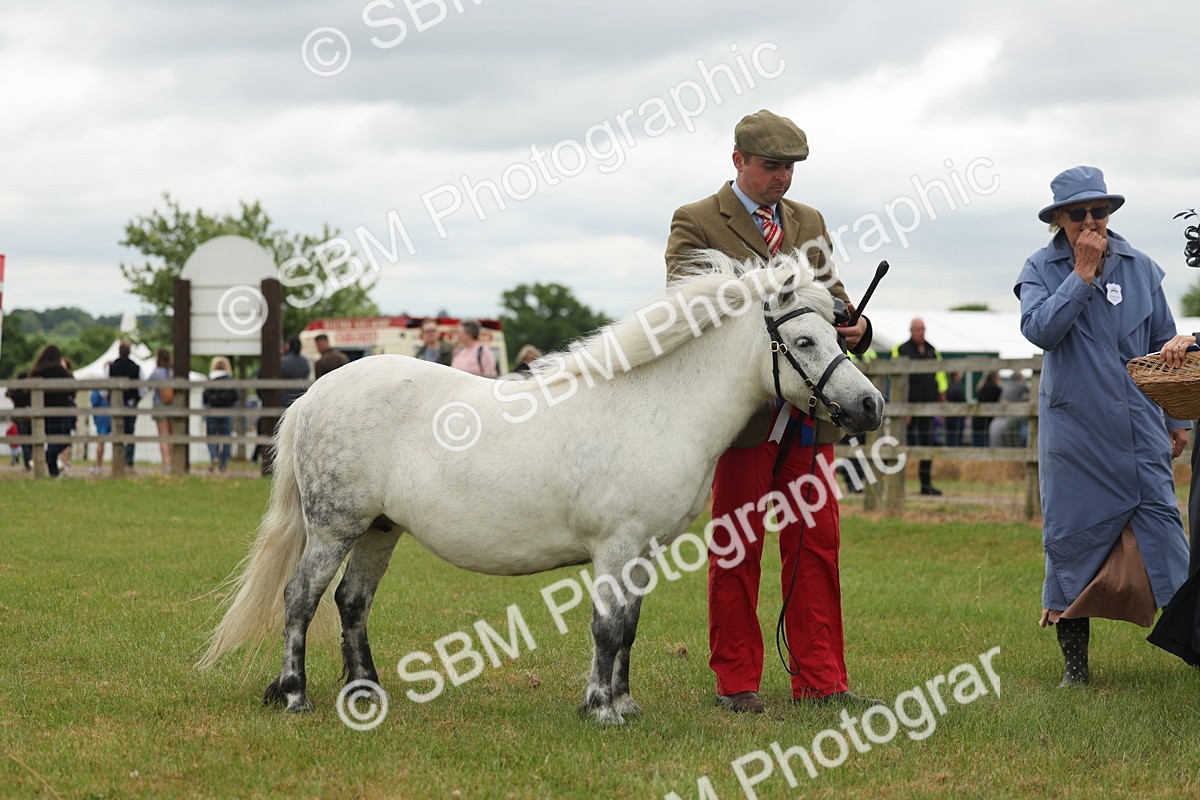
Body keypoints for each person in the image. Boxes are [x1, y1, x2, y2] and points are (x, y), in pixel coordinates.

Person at [665, 109, 877, 713]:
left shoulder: (809, 221)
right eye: (771, 166)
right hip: (742, 418)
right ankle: (736, 680)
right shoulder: (697, 220)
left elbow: (830, 300)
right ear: (738, 161)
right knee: (737, 545)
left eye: (790, 168)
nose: (783, 178)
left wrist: (853, 327)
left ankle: (822, 678)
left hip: (809, 410)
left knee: (819, 541)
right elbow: (689, 304)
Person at [1016, 165, 1189, 688]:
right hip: (1076, 434)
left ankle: (1193, 645)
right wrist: (1081, 276)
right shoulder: (1040, 268)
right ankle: (1076, 668)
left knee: (1165, 532)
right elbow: (1039, 330)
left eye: (1100, 210)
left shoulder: (1141, 268)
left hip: (1140, 428)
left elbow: (1165, 343)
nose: (1091, 221)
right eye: (1078, 213)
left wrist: (1176, 416)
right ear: (1058, 221)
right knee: (1071, 539)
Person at [892, 318, 947, 495]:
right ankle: (896, 485)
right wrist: (903, 407)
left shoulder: (932, 350)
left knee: (927, 444)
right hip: (907, 407)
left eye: (923, 329)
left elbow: (940, 378)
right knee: (900, 444)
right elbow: (896, 380)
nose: (921, 333)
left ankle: (926, 485)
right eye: (917, 330)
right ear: (911, 330)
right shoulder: (901, 349)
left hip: (928, 406)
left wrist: (943, 402)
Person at [28, 344, 76, 478]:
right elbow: (73, 387)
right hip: (60, 410)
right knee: (64, 439)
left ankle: (53, 471)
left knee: (50, 440)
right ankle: (49, 458)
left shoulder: (36, 371)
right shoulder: (59, 371)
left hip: (42, 411)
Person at [108, 340, 142, 468]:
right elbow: (143, 388)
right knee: (131, 431)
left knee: (117, 430)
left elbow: (104, 388)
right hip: (131, 403)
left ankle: (118, 458)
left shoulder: (112, 367)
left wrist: (109, 399)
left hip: (116, 405)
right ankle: (129, 460)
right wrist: (137, 399)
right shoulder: (136, 367)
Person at [202, 356, 238, 474]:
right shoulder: (230, 380)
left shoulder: (210, 379)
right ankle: (223, 465)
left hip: (212, 411)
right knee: (226, 438)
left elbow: (205, 396)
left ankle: (214, 457)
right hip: (227, 411)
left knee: (211, 436)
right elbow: (236, 396)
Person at [149, 348, 175, 475]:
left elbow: (148, 385)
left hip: (160, 405)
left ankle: (166, 465)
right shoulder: (173, 371)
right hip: (174, 405)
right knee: (172, 435)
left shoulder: (157, 372)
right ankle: (174, 462)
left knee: (163, 436)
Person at [988, 372, 1030, 447]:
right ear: (1020, 378)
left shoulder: (1006, 386)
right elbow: (1030, 399)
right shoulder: (1022, 386)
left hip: (1002, 415)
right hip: (1013, 415)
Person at [6, 370, 33, 470]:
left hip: (19, 417)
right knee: (31, 441)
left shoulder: (16, 389)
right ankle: (30, 462)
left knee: (24, 441)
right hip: (30, 415)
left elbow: (7, 394)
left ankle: (27, 464)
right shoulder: (29, 388)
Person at [90, 370, 113, 476]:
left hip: (102, 417)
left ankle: (99, 466)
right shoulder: (113, 383)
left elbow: (94, 401)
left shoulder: (98, 385)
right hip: (111, 416)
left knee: (100, 442)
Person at [280, 336, 311, 408]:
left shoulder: (282, 361)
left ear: (289, 346)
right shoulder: (305, 361)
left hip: (284, 399)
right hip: (301, 398)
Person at [973, 371, 1002, 447]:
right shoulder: (997, 390)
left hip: (977, 420)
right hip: (987, 423)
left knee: (977, 445)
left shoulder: (981, 389)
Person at [944, 372, 966, 447]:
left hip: (949, 417)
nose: (961, 376)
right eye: (959, 374)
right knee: (956, 439)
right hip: (957, 417)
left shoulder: (948, 386)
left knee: (950, 438)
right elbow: (963, 403)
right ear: (955, 376)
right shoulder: (958, 388)